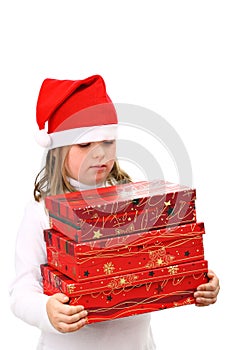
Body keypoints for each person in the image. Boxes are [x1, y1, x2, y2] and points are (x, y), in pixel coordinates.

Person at [10, 75, 220, 350]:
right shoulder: (40, 212)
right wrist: (45, 311)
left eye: (108, 142)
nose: (99, 154)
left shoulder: (135, 201)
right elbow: (21, 290)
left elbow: (163, 254)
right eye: (84, 144)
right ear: (58, 149)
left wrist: (198, 279)